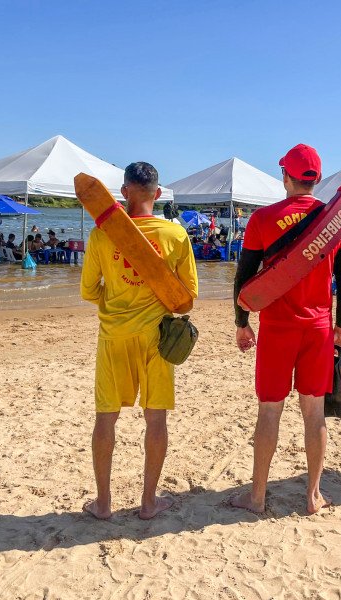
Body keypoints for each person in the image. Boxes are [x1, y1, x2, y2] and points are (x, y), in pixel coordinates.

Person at [231, 144, 341, 515]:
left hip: (276, 329)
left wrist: (241, 323)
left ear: (285, 176)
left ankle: (256, 497)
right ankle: (313, 495)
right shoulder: (337, 220)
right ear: (316, 180)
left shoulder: (263, 219)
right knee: (313, 413)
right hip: (318, 329)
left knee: (270, 411)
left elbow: (244, 278)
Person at [80, 162, 198, 521]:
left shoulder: (102, 235)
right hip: (157, 337)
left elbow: (88, 291)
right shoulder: (176, 236)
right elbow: (187, 297)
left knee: (106, 419)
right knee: (156, 419)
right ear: (158, 194)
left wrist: (115, 299)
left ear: (124, 192)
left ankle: (103, 503)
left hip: (114, 337)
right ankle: (149, 501)